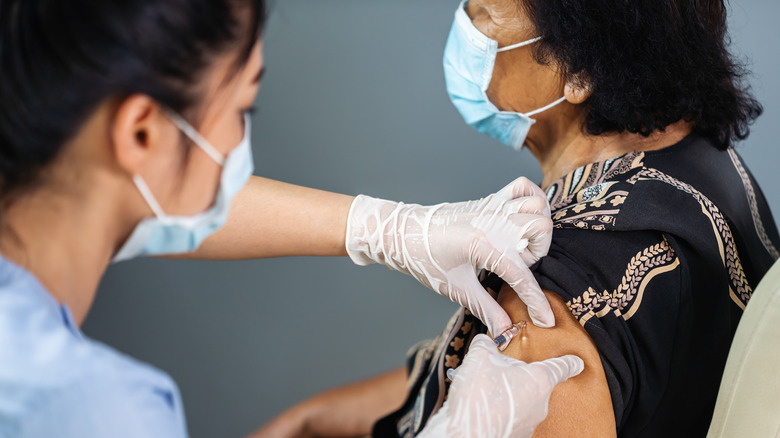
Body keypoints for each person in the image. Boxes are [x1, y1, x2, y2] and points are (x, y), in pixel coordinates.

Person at [0, 0, 585, 436]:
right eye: (241, 107)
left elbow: (146, 193)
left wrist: (385, 228)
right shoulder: (88, 411)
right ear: (141, 133)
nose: (241, 140)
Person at [254, 0, 780, 437]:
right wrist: (308, 420)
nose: (464, 23)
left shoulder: (552, 286)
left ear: (577, 69)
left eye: (484, 15)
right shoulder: (703, 161)